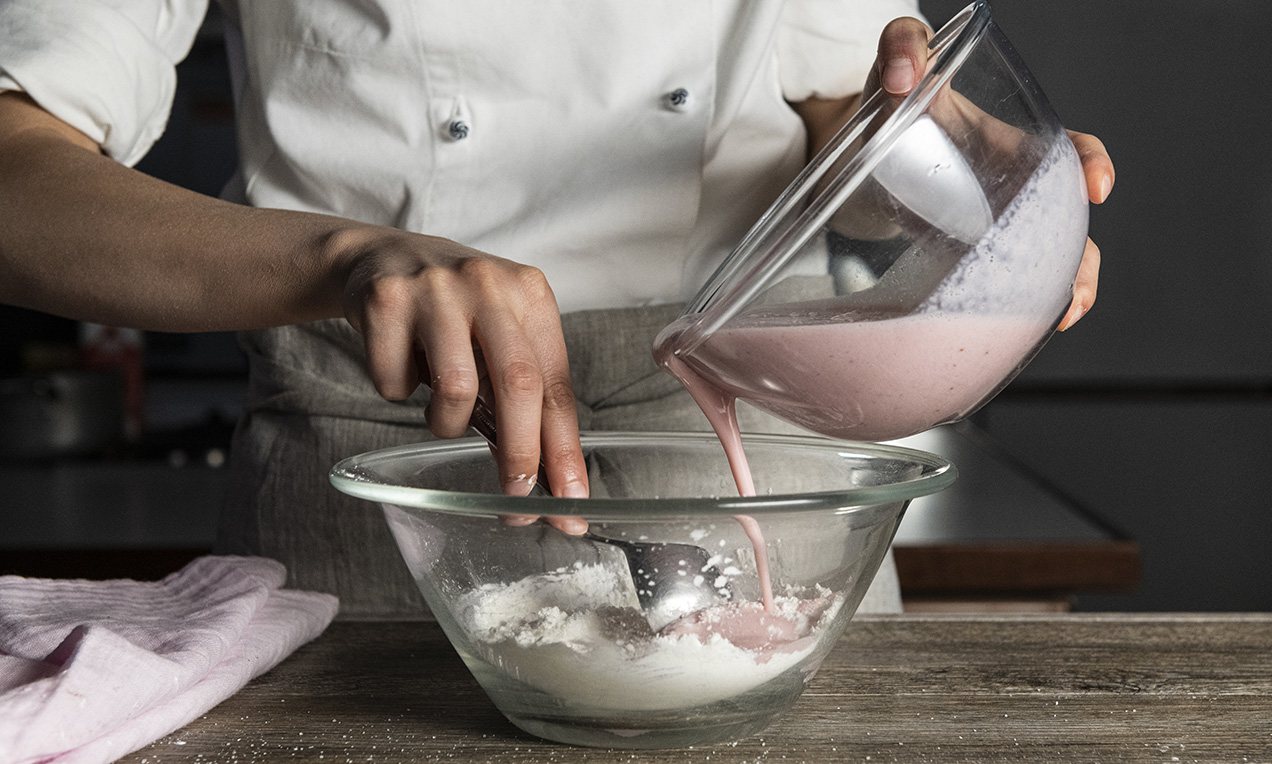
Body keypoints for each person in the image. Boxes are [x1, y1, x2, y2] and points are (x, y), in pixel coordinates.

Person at [0, 2, 1112, 617]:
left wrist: (947, 170)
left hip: (739, 430)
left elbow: (841, 118)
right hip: (389, 453)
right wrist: (347, 255)